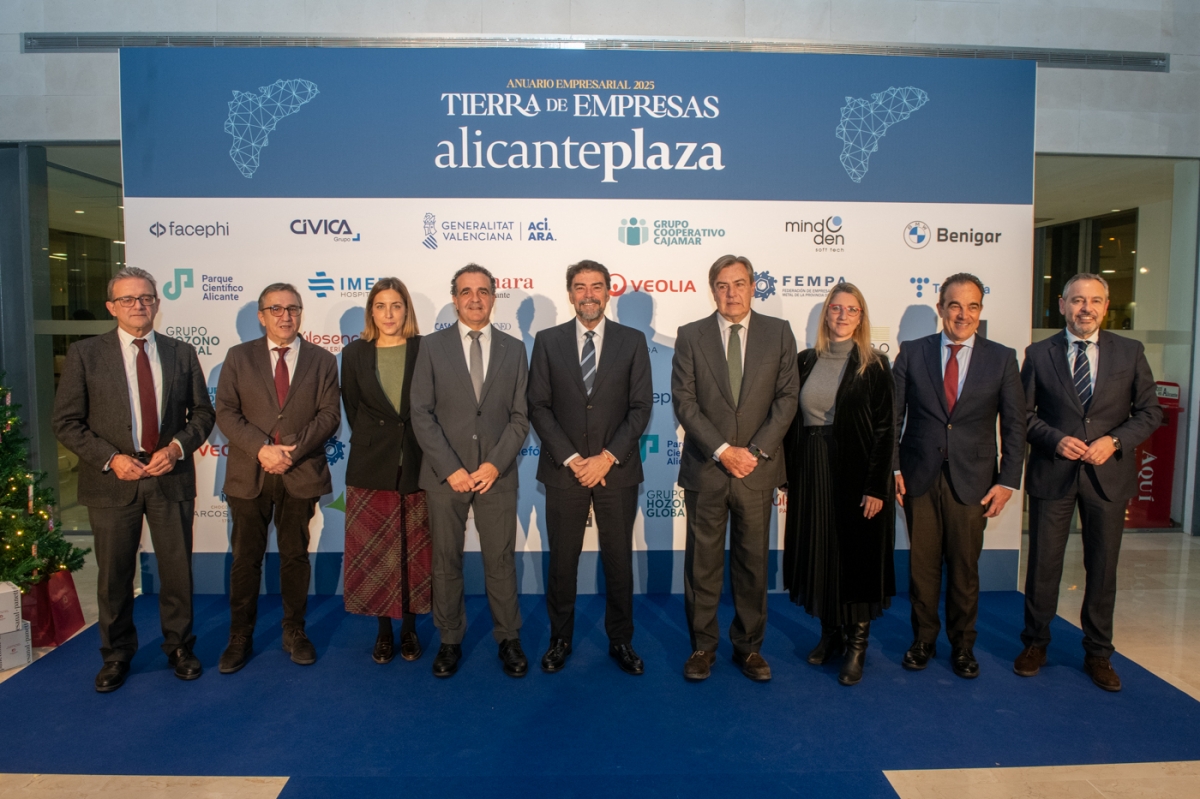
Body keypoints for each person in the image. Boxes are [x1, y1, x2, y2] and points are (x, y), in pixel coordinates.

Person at [52, 266, 215, 692]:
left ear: (157, 304)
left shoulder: (181, 353)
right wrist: (110, 459)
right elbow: (67, 423)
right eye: (128, 299)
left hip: (169, 475)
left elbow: (202, 414)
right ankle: (117, 654)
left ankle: (179, 646)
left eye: (145, 298)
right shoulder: (86, 354)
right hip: (112, 479)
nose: (138, 305)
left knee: (177, 570)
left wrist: (177, 447)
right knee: (114, 576)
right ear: (111, 307)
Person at [1016, 273, 1161, 691]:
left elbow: (1149, 412)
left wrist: (1114, 441)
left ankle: (1099, 653)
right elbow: (1023, 416)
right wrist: (1055, 439)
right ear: (1062, 305)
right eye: (1077, 300)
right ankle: (1035, 644)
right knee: (1044, 564)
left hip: (1108, 478)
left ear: (1106, 304)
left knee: (1102, 568)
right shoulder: (1039, 353)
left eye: (1095, 300)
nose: (1086, 308)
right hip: (1054, 472)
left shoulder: (1130, 352)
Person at [671, 254, 799, 682]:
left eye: (740, 284)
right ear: (713, 290)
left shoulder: (778, 333)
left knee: (752, 564)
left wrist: (755, 451)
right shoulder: (690, 336)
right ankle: (702, 647)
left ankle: (749, 649)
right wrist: (724, 450)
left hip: (757, 470)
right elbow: (685, 403)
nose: (732, 293)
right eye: (723, 285)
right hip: (707, 469)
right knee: (702, 564)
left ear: (753, 287)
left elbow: (787, 399)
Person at [893, 272, 1025, 679]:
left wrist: (1007, 481)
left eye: (972, 306)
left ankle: (963, 646)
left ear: (980, 311)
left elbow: (1015, 426)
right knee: (923, 567)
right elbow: (892, 417)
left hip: (975, 481)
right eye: (954, 305)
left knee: (965, 570)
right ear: (940, 309)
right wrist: (893, 467)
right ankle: (923, 641)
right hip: (919, 476)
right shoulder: (912, 352)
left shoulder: (1002, 358)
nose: (962, 314)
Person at [527, 260, 653, 675]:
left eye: (596, 286)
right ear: (570, 294)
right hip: (565, 470)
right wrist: (572, 458)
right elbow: (538, 407)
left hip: (616, 470)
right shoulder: (547, 341)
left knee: (618, 561)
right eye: (580, 287)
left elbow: (640, 408)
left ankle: (621, 640)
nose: (588, 295)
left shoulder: (632, 341)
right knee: (563, 561)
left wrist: (605, 458)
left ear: (608, 291)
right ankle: (559, 639)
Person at [410, 264, 531, 678]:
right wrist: (451, 469)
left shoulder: (514, 349)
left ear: (494, 297)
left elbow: (520, 417)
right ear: (454, 298)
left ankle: (509, 638)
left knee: (500, 560)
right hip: (447, 477)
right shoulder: (432, 346)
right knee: (445, 561)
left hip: (496, 474)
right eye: (466, 291)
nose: (474, 298)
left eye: (482, 291)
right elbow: (421, 414)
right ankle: (449, 640)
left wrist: (494, 464)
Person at [214, 283, 341, 672]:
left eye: (293, 309)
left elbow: (329, 416)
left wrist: (292, 452)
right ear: (261, 314)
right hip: (249, 473)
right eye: (276, 309)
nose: (286, 316)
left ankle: (295, 631)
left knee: (295, 556)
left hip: (299, 473)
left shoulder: (322, 359)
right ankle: (240, 636)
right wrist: (262, 449)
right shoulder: (238, 357)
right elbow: (226, 412)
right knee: (245, 559)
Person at [783, 283, 895, 686]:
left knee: (856, 557)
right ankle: (829, 633)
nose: (843, 315)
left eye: (852, 310)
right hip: (810, 468)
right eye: (836, 308)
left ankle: (857, 644)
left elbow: (885, 431)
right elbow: (789, 420)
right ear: (825, 314)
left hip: (856, 471)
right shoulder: (804, 361)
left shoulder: (875, 365)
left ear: (861, 318)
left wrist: (877, 486)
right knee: (820, 552)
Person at [341, 278, 430, 665]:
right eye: (381, 306)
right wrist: (380, 442)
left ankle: (409, 630)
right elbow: (353, 409)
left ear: (406, 310)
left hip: (417, 463)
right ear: (371, 311)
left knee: (415, 553)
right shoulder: (354, 354)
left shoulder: (424, 349)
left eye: (396, 305)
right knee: (376, 555)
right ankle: (382, 632)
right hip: (371, 466)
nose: (389, 314)